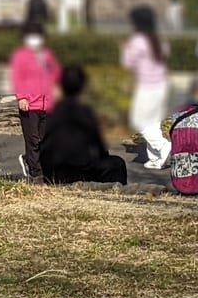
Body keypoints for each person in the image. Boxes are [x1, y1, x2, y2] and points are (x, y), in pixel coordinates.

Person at [42, 65, 127, 186]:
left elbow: (45, 144)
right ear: (82, 87)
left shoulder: (53, 112)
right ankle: (116, 192)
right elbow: (99, 146)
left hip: (54, 171)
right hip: (77, 171)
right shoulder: (84, 112)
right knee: (118, 163)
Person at [8, 18, 60, 184]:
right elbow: (17, 78)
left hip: (47, 103)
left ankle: (44, 170)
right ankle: (35, 174)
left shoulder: (47, 55)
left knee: (46, 140)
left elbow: (55, 73)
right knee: (33, 140)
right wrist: (21, 97)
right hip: (29, 105)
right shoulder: (20, 56)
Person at [121, 5, 171, 169]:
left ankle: (162, 146)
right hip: (161, 85)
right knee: (153, 121)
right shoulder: (158, 39)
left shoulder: (137, 41)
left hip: (147, 87)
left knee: (139, 121)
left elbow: (127, 63)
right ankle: (156, 158)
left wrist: (124, 48)